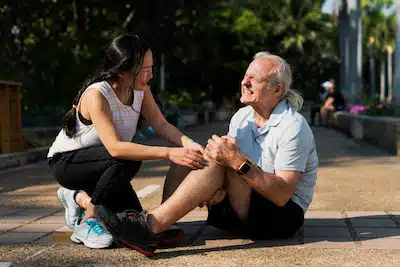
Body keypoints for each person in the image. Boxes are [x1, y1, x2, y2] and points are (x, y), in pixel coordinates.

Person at [93, 52, 319, 257]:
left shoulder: (293, 126)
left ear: (277, 90)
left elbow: (282, 194)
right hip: (240, 208)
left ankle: (150, 226)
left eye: (254, 79)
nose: (244, 82)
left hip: (281, 217)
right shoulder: (242, 117)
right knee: (191, 154)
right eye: (245, 76)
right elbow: (228, 169)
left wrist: (237, 162)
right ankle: (164, 230)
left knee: (217, 162)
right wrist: (218, 187)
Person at [47, 33, 206, 249]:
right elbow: (115, 148)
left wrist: (187, 143)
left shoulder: (140, 90)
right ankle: (87, 221)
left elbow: (160, 124)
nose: (150, 75)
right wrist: (168, 153)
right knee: (128, 159)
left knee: (131, 220)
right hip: (67, 163)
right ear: (122, 71)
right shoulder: (97, 95)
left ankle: (78, 198)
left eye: (152, 68)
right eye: (145, 70)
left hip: (106, 166)